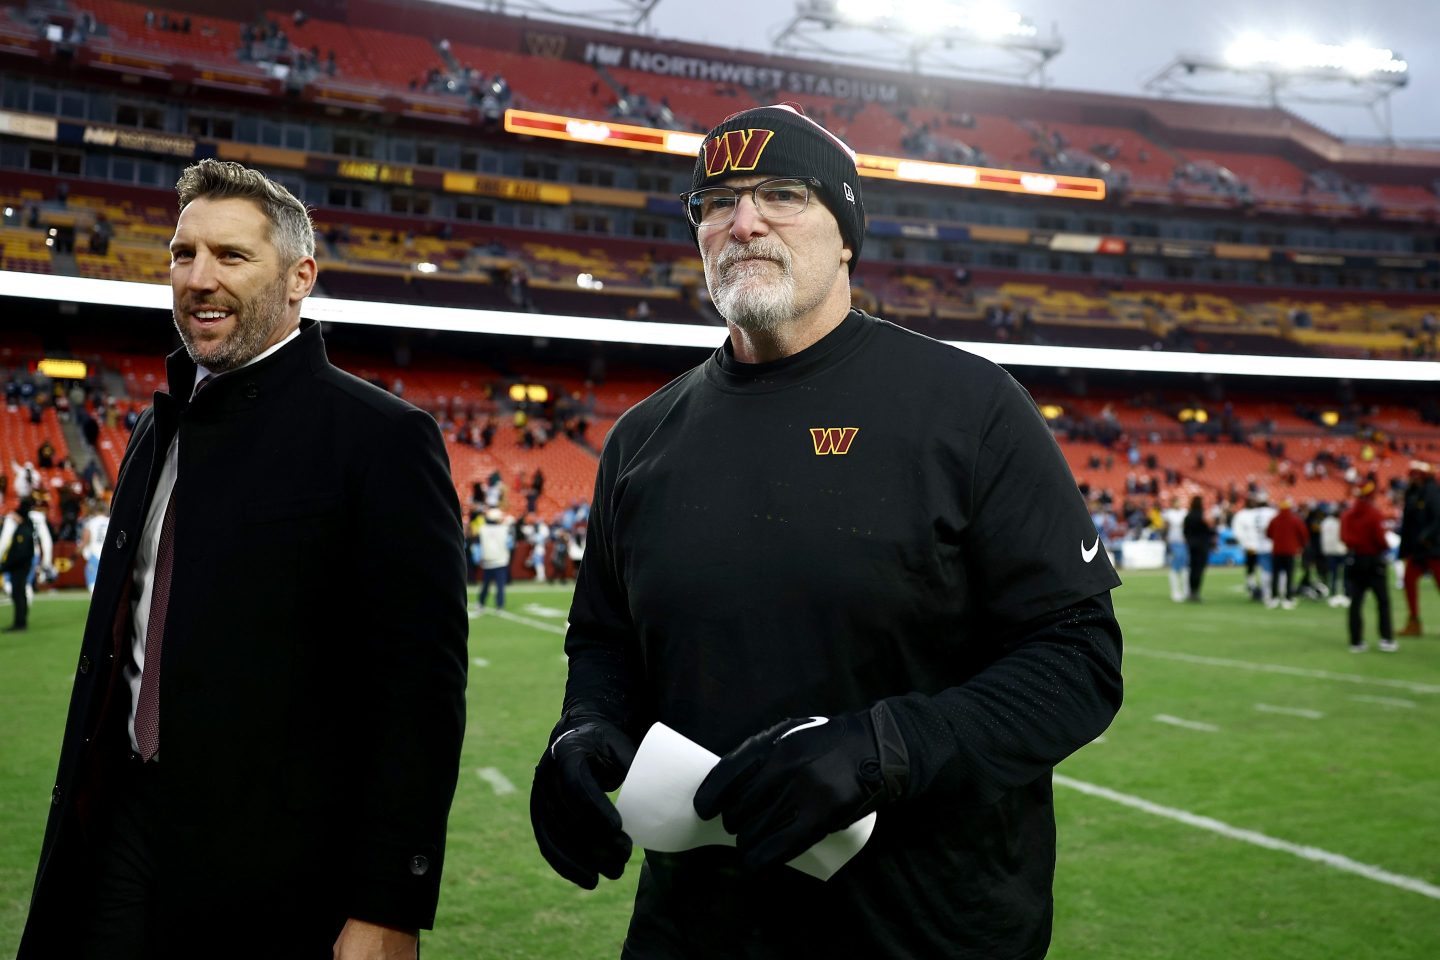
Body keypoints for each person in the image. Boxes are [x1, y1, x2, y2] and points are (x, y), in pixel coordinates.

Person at [529, 103, 1124, 958]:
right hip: (697, 927)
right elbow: (607, 644)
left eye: (783, 194)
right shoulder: (641, 437)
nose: (744, 221)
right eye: (716, 201)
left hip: (925, 927)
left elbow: (1078, 662)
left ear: (845, 232)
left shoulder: (968, 407)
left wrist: (885, 748)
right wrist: (585, 730)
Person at [18, 159, 469, 960]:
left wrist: (388, 902)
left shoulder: (381, 440)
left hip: (276, 873)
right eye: (182, 254)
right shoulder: (157, 433)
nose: (198, 278)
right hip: (119, 830)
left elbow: (420, 691)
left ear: (300, 278)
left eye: (231, 256)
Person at [1341, 481, 1396, 652]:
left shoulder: (1347, 515)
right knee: (1383, 602)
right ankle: (1386, 639)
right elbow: (1380, 539)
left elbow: (1344, 537)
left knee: (1356, 602)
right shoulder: (1374, 514)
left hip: (1355, 560)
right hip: (1374, 560)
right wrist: (1384, 548)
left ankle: (1355, 641)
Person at [1397, 460, 1440, 636]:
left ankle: (1414, 622)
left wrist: (1426, 537)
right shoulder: (1413, 493)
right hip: (1417, 549)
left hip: (1433, 548)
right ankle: (1414, 621)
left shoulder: (1433, 492)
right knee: (1408, 581)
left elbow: (1438, 518)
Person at [1, 497, 52, 631]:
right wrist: (46, 560)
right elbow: (46, 540)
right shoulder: (34, 521)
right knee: (23, 588)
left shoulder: (22, 528)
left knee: (18, 590)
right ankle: (21, 620)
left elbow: (6, 542)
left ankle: (20, 621)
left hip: (19, 562)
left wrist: (3, 563)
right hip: (31, 557)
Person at [1266, 498, 1309, 609]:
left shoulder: (1274, 519)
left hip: (1277, 551)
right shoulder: (1295, 520)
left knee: (1275, 575)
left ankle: (1274, 598)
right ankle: (1288, 598)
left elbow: (1268, 534)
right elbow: (1303, 534)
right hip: (1290, 551)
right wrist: (1300, 546)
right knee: (1289, 575)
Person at [477, 507, 513, 610]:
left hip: (488, 561)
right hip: (501, 561)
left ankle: (481, 603)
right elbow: (509, 544)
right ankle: (499, 606)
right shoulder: (504, 529)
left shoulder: (482, 529)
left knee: (486, 585)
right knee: (500, 586)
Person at [1182, 495, 1213, 602]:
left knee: (1192, 568)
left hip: (1191, 545)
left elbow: (1185, 532)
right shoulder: (1203, 516)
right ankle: (1196, 591)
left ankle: (1191, 591)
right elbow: (1210, 531)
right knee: (1199, 569)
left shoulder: (1188, 516)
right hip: (1202, 545)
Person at [79, 497, 111, 594]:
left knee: (92, 584)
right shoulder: (110, 521)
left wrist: (77, 552)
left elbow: (85, 541)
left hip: (95, 555)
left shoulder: (91, 522)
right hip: (109, 555)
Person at [1161, 495, 1189, 602]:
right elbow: (1166, 527)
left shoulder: (1184, 512)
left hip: (1184, 541)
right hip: (1174, 541)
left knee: (1185, 566)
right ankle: (1175, 591)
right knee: (1176, 565)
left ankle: (1186, 590)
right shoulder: (1168, 514)